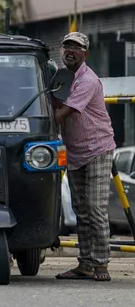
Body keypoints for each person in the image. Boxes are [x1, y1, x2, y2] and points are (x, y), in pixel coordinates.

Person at [54, 32, 115, 282]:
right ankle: (86, 264)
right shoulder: (61, 77)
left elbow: (61, 113)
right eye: (66, 46)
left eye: (76, 47)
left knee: (94, 207)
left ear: (85, 54)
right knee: (80, 209)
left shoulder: (88, 80)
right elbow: (49, 101)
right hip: (75, 152)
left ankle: (101, 264)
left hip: (97, 149)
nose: (70, 50)